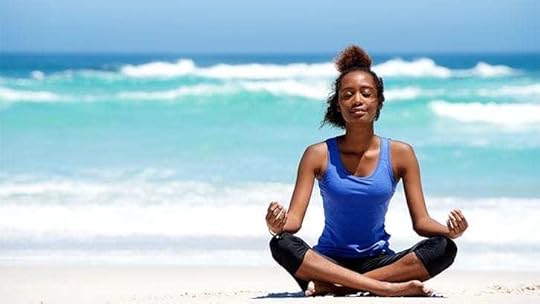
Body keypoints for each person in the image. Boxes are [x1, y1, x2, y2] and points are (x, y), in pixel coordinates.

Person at [265, 45, 468, 297]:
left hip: (379, 262)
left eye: (366, 93)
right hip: (326, 263)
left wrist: (451, 232)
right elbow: (293, 223)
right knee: (281, 243)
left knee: (444, 248)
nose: (357, 100)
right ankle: (384, 288)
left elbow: (422, 222)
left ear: (378, 102)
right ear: (338, 104)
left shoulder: (400, 153)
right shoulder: (317, 154)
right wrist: (276, 224)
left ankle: (338, 288)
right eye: (347, 94)